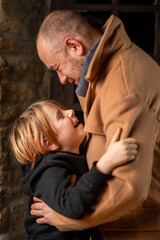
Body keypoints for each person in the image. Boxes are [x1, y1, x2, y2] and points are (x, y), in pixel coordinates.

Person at [32, 10, 160, 240]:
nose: (61, 79)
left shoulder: (123, 85)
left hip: (136, 231)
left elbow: (129, 188)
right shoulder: (98, 74)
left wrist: (62, 220)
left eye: (57, 68)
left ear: (74, 46)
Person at [10, 99, 137, 240]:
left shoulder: (74, 157)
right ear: (49, 143)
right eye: (60, 116)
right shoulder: (49, 172)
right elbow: (72, 206)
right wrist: (105, 164)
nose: (70, 111)